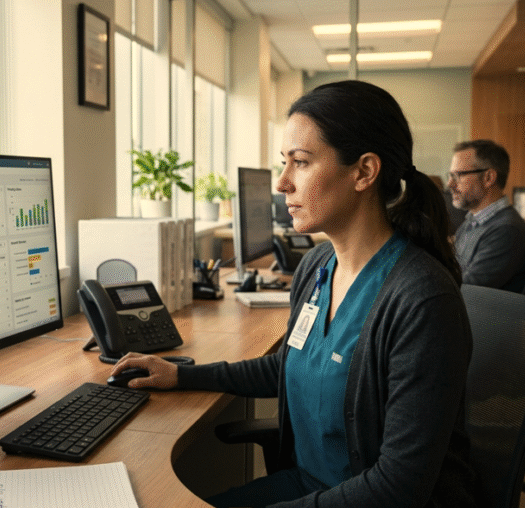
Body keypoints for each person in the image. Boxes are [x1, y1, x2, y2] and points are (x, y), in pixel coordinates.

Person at [111, 80, 477, 508]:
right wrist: (183, 375)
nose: (282, 183)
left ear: (363, 172)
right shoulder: (318, 267)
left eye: (300, 163)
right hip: (308, 485)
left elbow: (398, 487)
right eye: (284, 163)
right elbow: (289, 365)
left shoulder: (422, 301)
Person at [448, 139, 525, 291]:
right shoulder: (473, 220)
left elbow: (467, 289)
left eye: (458, 175)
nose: (450, 184)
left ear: (488, 178)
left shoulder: (506, 230)